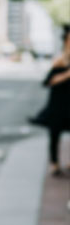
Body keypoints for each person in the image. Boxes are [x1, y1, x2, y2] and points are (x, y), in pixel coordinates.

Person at [41, 29, 70, 176]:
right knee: (54, 134)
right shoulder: (60, 61)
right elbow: (47, 82)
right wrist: (66, 74)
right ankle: (54, 163)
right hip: (58, 104)